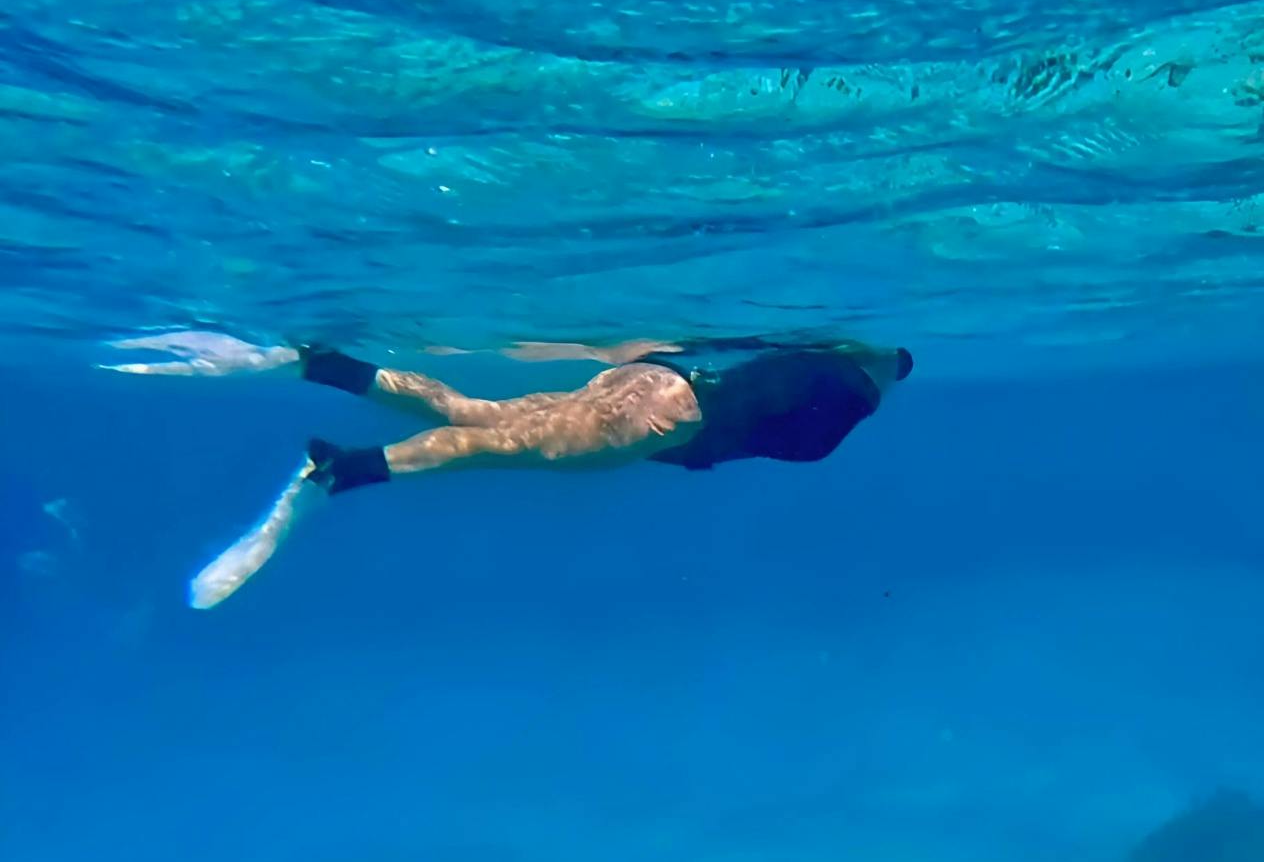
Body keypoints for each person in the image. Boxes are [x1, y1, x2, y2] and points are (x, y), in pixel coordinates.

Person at [104, 330, 914, 608]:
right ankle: (340, 472)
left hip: (656, 386)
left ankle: (319, 366)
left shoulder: (843, 370)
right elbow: (848, 384)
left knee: (482, 418)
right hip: (666, 417)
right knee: (495, 443)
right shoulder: (843, 408)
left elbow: (873, 359)